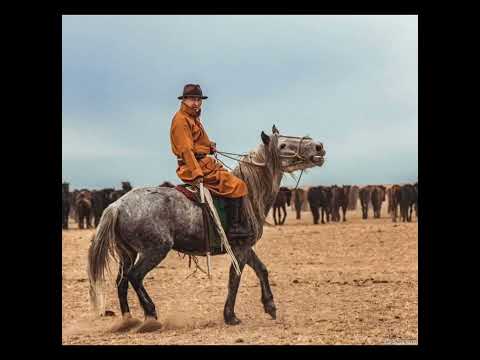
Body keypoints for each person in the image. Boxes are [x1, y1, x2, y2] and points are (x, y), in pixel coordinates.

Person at [170, 84, 253, 240]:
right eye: (192, 99)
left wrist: (210, 146)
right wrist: (196, 173)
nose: (196, 103)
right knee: (238, 185)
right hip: (193, 166)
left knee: (231, 181)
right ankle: (235, 228)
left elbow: (197, 141)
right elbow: (186, 150)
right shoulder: (181, 120)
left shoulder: (193, 117)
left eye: (198, 100)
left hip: (203, 162)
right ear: (184, 100)